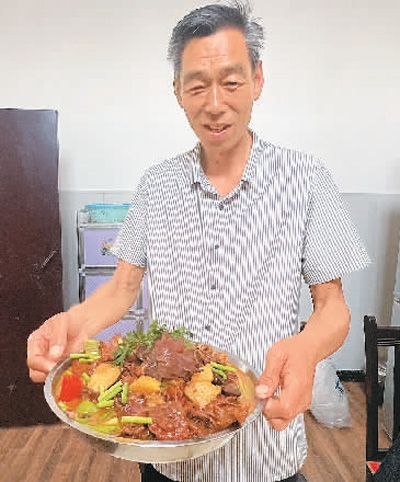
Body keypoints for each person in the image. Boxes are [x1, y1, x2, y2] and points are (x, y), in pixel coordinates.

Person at [27, 1, 370, 481]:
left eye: (231, 82)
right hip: (168, 454)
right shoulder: (156, 185)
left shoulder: (306, 179)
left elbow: (332, 307)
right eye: (197, 85)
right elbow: (122, 289)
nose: (214, 103)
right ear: (177, 91)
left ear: (258, 79)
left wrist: (308, 349)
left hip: (263, 451)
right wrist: (73, 322)